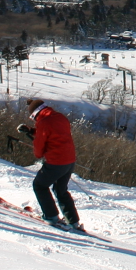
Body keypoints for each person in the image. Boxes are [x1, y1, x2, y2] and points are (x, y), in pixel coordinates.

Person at [17, 98, 82, 232]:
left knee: (39, 185)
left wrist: (38, 154)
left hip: (56, 162)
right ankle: (73, 221)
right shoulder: (59, 117)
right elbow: (52, 133)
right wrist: (31, 130)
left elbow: (39, 147)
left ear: (35, 114)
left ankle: (51, 216)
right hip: (69, 161)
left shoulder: (44, 122)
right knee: (60, 190)